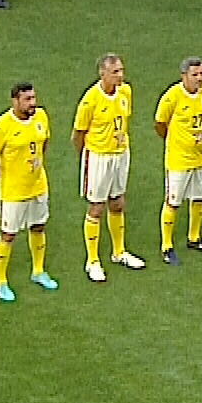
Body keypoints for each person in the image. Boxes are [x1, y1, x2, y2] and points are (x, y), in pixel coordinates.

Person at [0, 81, 58, 301]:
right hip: (13, 192)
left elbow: (43, 143)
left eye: (33, 98)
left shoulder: (41, 117)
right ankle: (1, 281)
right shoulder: (2, 126)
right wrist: (4, 176)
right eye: (27, 99)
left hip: (38, 185)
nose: (32, 103)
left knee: (38, 227)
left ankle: (38, 271)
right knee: (8, 235)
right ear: (14, 101)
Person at [73, 53, 143, 281]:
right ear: (102, 73)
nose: (120, 75)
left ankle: (119, 252)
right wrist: (87, 157)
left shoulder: (126, 92)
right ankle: (92, 260)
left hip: (121, 154)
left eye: (121, 70)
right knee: (96, 207)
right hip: (98, 157)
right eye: (115, 72)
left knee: (118, 202)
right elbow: (78, 135)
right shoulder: (90, 100)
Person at [153, 57, 202, 263]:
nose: (200, 79)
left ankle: (194, 238)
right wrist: (176, 142)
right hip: (179, 160)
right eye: (195, 75)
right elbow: (160, 124)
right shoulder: (172, 96)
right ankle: (167, 246)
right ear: (184, 77)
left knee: (199, 198)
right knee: (173, 202)